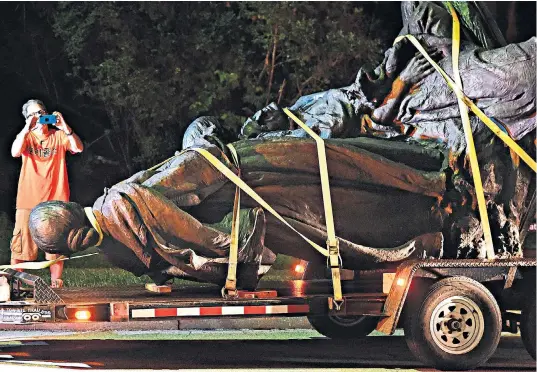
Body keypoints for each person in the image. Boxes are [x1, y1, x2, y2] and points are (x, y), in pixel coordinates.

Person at [10, 99, 84, 288]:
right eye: (35, 114)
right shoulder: (27, 138)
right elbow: (15, 152)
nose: (40, 117)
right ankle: (15, 284)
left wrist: (65, 126)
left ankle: (56, 282)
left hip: (55, 201)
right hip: (28, 199)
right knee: (22, 244)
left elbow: (78, 148)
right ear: (27, 118)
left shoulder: (58, 136)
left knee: (55, 243)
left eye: (42, 112)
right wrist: (27, 127)